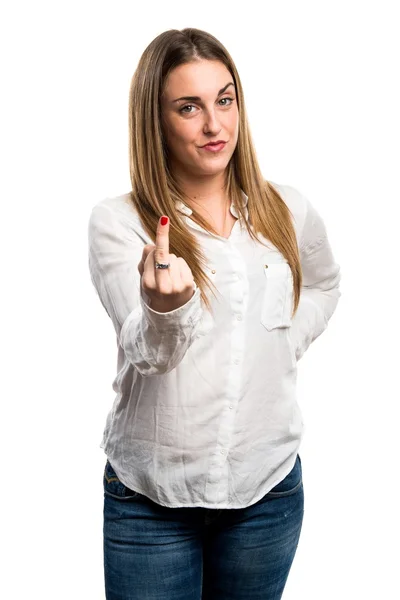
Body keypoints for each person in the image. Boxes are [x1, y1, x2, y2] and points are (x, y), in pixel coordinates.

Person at [88, 27, 341, 600]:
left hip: (267, 494)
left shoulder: (286, 210)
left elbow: (324, 285)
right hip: (151, 505)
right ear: (156, 120)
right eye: (188, 107)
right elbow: (147, 353)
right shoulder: (119, 222)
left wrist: (283, 342)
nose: (214, 125)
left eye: (224, 100)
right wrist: (165, 308)